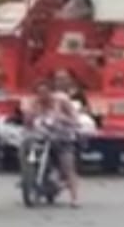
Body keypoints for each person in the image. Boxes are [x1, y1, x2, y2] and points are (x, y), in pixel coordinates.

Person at [24, 76, 81, 206]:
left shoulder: (61, 100)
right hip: (42, 137)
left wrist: (64, 120)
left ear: (50, 92)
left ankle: (74, 198)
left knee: (67, 165)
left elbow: (75, 119)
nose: (42, 96)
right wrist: (28, 118)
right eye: (39, 93)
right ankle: (30, 181)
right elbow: (28, 121)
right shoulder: (35, 103)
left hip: (62, 137)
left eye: (45, 92)